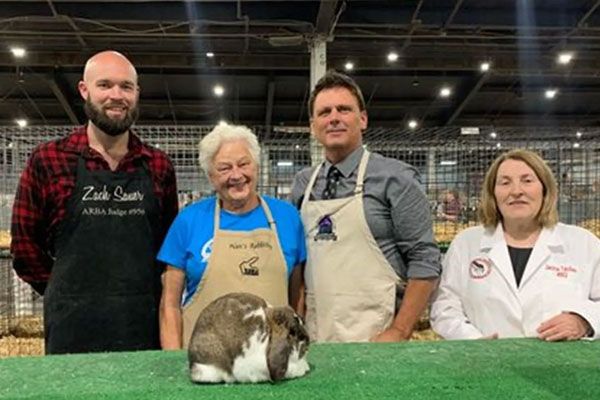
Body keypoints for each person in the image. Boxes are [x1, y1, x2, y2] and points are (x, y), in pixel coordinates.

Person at [10, 50, 179, 354]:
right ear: (84, 90)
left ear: (137, 93)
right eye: (105, 85)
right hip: (71, 329)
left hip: (142, 325)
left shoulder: (158, 166)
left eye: (126, 87)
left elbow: (169, 248)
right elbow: (24, 248)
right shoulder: (48, 160)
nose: (117, 95)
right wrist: (63, 292)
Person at [291, 70, 441, 343]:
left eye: (344, 109)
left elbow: (425, 259)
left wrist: (400, 330)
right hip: (315, 335)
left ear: (362, 119)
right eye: (324, 112)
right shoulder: (303, 183)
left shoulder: (395, 178)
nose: (334, 117)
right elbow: (299, 263)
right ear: (313, 126)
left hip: (378, 337)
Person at [158, 123, 306, 349]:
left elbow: (297, 297)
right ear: (210, 176)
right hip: (206, 365)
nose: (236, 175)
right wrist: (172, 359)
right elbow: (169, 305)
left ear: (256, 166)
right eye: (224, 168)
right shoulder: (189, 220)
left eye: (243, 164)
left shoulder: (287, 218)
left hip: (272, 364)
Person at [430, 149, 599, 341]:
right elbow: (444, 306)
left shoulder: (583, 243)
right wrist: (471, 340)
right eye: (505, 182)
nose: (516, 191)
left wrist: (583, 321)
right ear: (493, 194)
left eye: (527, 181)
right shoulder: (466, 243)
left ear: (545, 190)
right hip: (484, 364)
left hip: (562, 365)